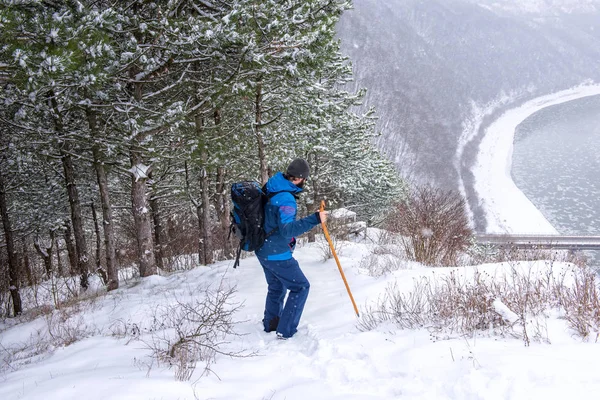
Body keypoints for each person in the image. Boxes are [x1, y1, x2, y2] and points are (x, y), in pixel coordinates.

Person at [255, 158, 327, 339]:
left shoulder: (273, 185)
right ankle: (285, 331)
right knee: (300, 287)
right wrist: (315, 219)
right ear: (300, 179)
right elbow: (287, 231)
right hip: (277, 253)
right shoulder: (286, 199)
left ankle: (271, 324)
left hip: (262, 248)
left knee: (276, 287)